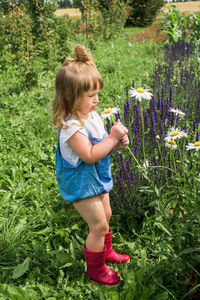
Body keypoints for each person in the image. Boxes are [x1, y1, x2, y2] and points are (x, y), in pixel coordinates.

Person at [53, 44, 130, 286]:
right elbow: (88, 154)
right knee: (98, 225)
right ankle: (95, 268)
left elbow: (101, 148)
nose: (96, 101)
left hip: (96, 177)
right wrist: (111, 138)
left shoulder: (90, 115)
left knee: (106, 216)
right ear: (71, 97)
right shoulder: (71, 127)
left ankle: (105, 252)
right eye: (90, 96)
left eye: (97, 94)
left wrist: (116, 144)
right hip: (81, 183)